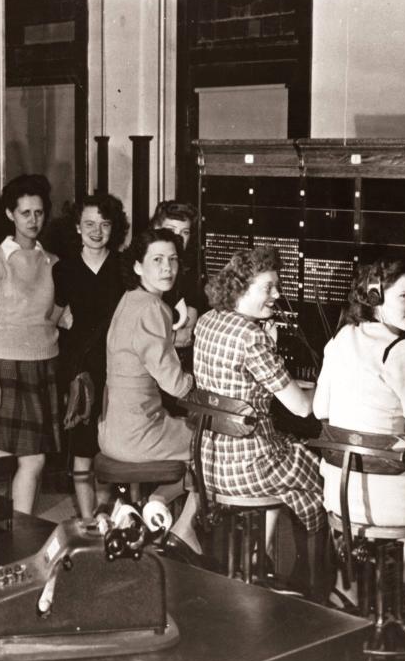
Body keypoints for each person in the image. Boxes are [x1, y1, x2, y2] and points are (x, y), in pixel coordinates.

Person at [313, 258, 405, 608]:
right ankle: (404, 580)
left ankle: (350, 589)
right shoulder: (401, 348)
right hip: (390, 495)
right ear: (376, 296)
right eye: (404, 296)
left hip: (341, 492)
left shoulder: (343, 335)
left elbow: (321, 410)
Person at [193, 246, 323, 558]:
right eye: (268, 287)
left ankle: (258, 554)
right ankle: (321, 576)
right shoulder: (252, 336)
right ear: (240, 287)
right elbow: (302, 408)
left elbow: (237, 383)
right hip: (249, 466)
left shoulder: (208, 321)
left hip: (208, 463)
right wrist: (329, 389)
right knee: (327, 478)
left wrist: (273, 356)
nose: (277, 294)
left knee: (290, 465)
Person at [98, 228, 200, 550]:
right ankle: (180, 522)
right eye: (157, 260)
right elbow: (175, 383)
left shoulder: (129, 300)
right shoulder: (154, 309)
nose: (167, 267)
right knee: (213, 443)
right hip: (137, 436)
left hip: (110, 432)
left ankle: (152, 504)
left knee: (191, 432)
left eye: (172, 259)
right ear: (138, 266)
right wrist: (204, 383)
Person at [0, 175, 62, 514]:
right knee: (32, 460)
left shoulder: (52, 261)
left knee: (35, 461)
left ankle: (21, 525)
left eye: (38, 212)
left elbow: (56, 312)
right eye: (25, 212)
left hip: (46, 364)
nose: (33, 220)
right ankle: (21, 528)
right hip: (8, 365)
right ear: (11, 214)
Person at [52, 194, 128, 518]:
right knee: (83, 447)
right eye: (89, 224)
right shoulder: (64, 269)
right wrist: (61, 319)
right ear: (77, 228)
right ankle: (88, 520)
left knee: (111, 446)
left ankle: (105, 514)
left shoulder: (125, 267)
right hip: (80, 371)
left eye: (105, 224)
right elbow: (51, 316)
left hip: (119, 368)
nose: (97, 231)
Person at [150, 201, 202, 352]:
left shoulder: (189, 270)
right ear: (156, 229)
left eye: (185, 232)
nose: (178, 238)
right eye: (171, 230)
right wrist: (172, 338)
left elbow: (188, 332)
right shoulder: (140, 267)